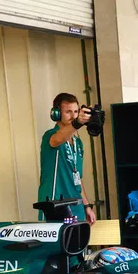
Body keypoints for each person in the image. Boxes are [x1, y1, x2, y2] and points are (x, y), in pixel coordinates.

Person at [38, 92, 96, 224]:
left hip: (76, 205)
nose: (73, 116)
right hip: (55, 205)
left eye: (76, 111)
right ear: (57, 114)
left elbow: (77, 178)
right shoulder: (50, 135)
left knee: (79, 244)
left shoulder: (78, 142)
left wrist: (86, 206)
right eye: (68, 112)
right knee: (60, 244)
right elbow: (57, 139)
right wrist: (77, 122)